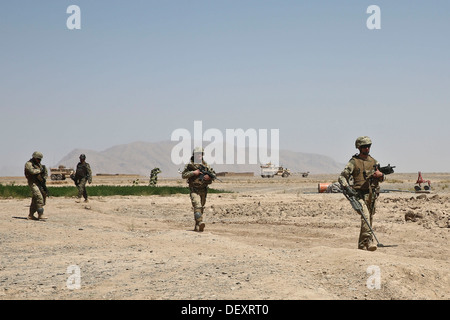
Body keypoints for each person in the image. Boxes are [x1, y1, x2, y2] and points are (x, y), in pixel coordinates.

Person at [338, 136, 385, 251]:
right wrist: (347, 187)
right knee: (366, 217)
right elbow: (342, 177)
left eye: (368, 146)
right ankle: (368, 242)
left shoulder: (374, 162)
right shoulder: (354, 162)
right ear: (359, 147)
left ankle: (362, 244)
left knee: (369, 218)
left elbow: (382, 178)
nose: (367, 149)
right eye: (364, 147)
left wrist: (381, 176)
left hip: (372, 194)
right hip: (358, 194)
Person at [181, 147, 216, 232]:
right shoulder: (190, 165)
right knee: (197, 205)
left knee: (201, 208)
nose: (199, 155)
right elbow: (183, 175)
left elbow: (213, 175)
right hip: (194, 189)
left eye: (201, 153)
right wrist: (193, 173)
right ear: (194, 155)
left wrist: (208, 177)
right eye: (197, 154)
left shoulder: (206, 165)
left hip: (203, 190)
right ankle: (200, 222)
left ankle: (197, 225)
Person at [24, 151, 48, 220]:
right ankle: (40, 214)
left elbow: (45, 173)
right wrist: (40, 171)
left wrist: (43, 178)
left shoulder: (39, 164)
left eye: (40, 159)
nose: (39, 160)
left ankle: (31, 215)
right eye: (38, 159)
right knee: (39, 197)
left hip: (39, 183)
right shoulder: (29, 164)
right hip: (32, 182)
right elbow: (32, 171)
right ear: (34, 157)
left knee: (36, 198)